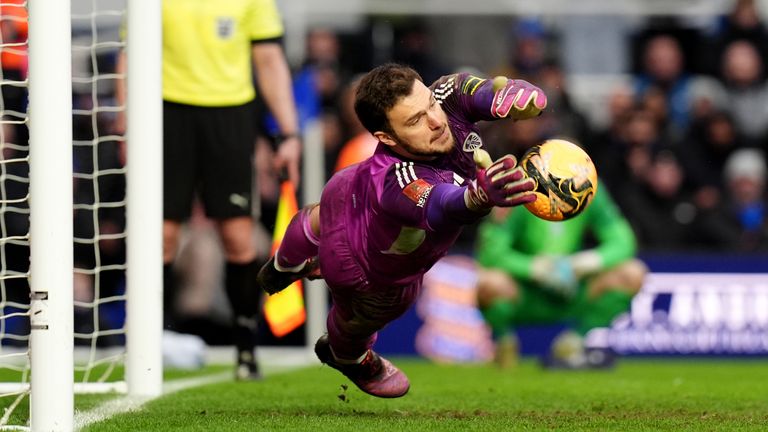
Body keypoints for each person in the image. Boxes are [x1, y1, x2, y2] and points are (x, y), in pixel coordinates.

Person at [256, 63, 547, 398]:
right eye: (415, 121)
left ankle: (283, 265)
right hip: (364, 269)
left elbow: (477, 91)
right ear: (386, 137)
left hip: (348, 186)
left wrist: (519, 93)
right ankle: (347, 355)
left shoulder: (444, 96)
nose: (435, 121)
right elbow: (442, 204)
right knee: (358, 323)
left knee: (320, 216)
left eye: (430, 106)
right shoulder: (399, 180)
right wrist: (479, 197)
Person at [115, 0, 301, 380]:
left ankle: (246, 349)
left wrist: (289, 132)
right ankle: (152, 345)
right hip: (165, 111)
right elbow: (128, 58)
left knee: (238, 238)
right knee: (161, 236)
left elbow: (269, 60)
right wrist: (126, 121)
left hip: (230, 114)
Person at [475, 183, 647, 369]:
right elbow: (490, 254)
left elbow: (624, 242)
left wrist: (587, 262)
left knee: (632, 272)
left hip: (574, 289)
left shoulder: (588, 188)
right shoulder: (517, 190)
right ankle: (504, 342)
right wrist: (534, 268)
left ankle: (574, 341)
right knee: (488, 282)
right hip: (525, 294)